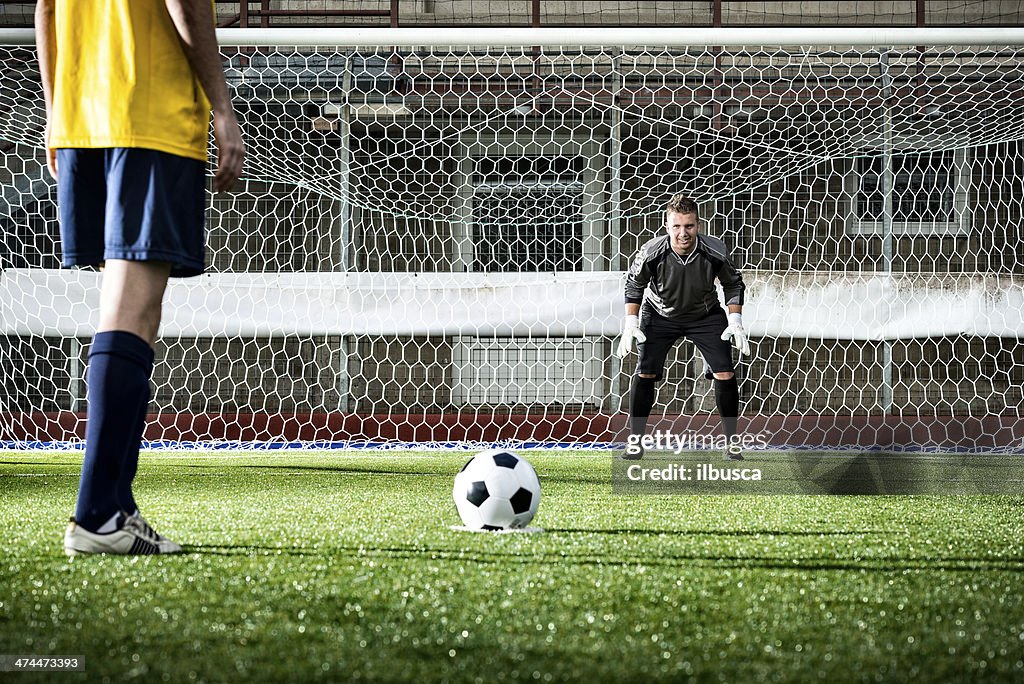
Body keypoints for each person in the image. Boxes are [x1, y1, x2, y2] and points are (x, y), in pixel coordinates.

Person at [36, 0, 245, 555]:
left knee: (133, 309)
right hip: (146, 108)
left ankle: (115, 507)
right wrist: (221, 107)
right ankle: (98, 514)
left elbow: (46, 8)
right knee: (131, 309)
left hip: (82, 114)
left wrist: (56, 111)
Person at [615, 194, 750, 461]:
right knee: (645, 374)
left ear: (698, 226)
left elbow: (733, 284)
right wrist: (631, 323)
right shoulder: (652, 251)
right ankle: (635, 443)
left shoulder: (715, 250)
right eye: (676, 226)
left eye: (689, 226)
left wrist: (735, 321)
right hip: (659, 314)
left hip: (705, 315)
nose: (683, 233)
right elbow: (634, 285)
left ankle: (732, 444)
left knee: (725, 373)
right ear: (667, 226)